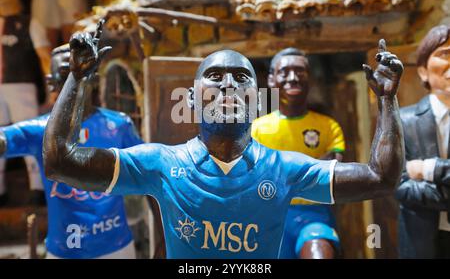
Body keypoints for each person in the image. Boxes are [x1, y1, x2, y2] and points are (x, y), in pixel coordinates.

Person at [43, 20, 404, 258]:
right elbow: (59, 161)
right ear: (189, 100)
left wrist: (387, 99)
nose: (228, 84)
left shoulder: (284, 169)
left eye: (240, 77)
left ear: (258, 100)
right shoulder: (161, 164)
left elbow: (381, 177)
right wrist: (77, 79)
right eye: (214, 76)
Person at [0, 43, 143, 259]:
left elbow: (151, 175)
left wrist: (162, 238)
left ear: (95, 78)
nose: (76, 80)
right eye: (69, 74)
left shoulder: (119, 125)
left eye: (85, 70)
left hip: (117, 248)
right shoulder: (39, 130)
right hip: (63, 252)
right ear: (51, 83)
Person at [252, 48, 343, 259]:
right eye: (284, 72)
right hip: (268, 219)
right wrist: (310, 169)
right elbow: (250, 178)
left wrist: (277, 173)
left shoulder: (329, 127)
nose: (293, 78)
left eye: (300, 71)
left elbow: (331, 175)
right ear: (272, 79)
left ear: (309, 77)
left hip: (315, 216)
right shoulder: (256, 130)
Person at [0, 0, 52, 205]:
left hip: (22, 87)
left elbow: (44, 57)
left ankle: (37, 189)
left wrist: (51, 89)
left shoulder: (31, 23)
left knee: (28, 133)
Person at [396, 25, 450, 258]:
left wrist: (428, 169)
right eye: (445, 54)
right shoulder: (403, 121)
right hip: (420, 236)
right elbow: (395, 182)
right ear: (423, 71)